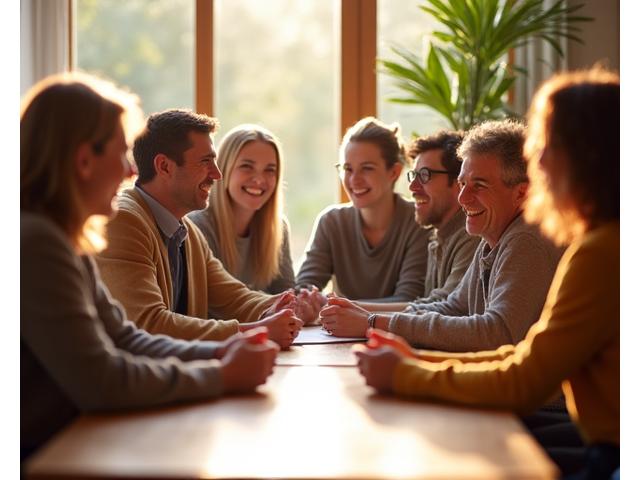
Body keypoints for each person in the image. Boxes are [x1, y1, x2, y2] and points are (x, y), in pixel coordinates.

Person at [354, 68, 620, 479]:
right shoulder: (596, 242)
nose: (540, 159)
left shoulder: (595, 251)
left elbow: (523, 373)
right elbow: (488, 329)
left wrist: (408, 371)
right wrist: (413, 357)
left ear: (588, 157)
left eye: (548, 144)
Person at [21, 72, 280, 458]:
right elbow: (101, 380)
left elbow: (126, 339)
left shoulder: (64, 240)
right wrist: (223, 374)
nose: (130, 171)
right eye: (122, 152)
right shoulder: (36, 242)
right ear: (84, 160)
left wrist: (226, 350)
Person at [320, 120, 562, 351]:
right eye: (462, 183)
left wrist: (373, 322)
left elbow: (498, 333)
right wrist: (365, 316)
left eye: (479, 185)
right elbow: (453, 307)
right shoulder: (494, 237)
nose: (463, 198)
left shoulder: (525, 240)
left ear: (521, 193)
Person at [96, 109, 303, 347]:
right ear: (164, 166)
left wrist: (283, 305)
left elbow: (234, 298)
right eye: (206, 161)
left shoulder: (186, 231)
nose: (217, 174)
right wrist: (253, 330)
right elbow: (148, 323)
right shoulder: (123, 220)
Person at [295, 116, 430, 306]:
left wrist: (336, 306)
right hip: (341, 333)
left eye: (367, 169)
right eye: (347, 169)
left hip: (396, 333)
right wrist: (309, 299)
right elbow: (304, 287)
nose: (354, 180)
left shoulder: (418, 222)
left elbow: (408, 300)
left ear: (394, 172)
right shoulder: (331, 221)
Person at [351, 130, 480, 315]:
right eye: (414, 175)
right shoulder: (438, 236)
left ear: (459, 182)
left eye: (425, 175)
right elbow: (427, 305)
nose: (412, 187)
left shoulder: (472, 236)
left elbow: (446, 307)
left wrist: (354, 311)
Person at [188, 124, 294, 296]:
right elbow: (210, 306)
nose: (259, 179)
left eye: (270, 170)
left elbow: (285, 292)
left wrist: (304, 302)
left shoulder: (278, 227)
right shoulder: (198, 226)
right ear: (222, 169)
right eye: (247, 166)